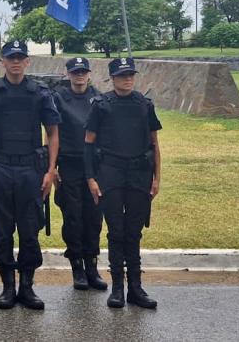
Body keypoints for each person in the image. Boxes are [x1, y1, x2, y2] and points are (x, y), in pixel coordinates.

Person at [0, 40, 60, 311]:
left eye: (21, 57)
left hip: (31, 170)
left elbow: (53, 132)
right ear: (3, 61)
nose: (16, 62)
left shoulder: (40, 93)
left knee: (30, 229)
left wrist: (50, 169)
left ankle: (27, 287)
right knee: (1, 230)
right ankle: (8, 288)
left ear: (28, 61)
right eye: (11, 58)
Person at [85, 57, 162, 310]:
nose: (127, 79)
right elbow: (88, 144)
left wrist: (157, 178)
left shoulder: (145, 105)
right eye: (121, 75)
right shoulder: (101, 105)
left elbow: (154, 144)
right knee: (116, 232)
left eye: (130, 75)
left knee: (134, 233)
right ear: (113, 78)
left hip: (139, 174)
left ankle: (136, 289)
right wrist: (91, 178)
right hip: (111, 174)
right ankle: (118, 287)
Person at [51, 57, 106, 291]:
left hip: (95, 165)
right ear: (68, 74)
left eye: (83, 71)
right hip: (69, 165)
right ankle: (77, 267)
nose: (79, 75)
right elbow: (51, 132)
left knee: (93, 217)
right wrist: (51, 167)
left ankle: (92, 266)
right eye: (75, 72)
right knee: (73, 217)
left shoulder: (100, 98)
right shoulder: (59, 98)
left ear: (89, 74)